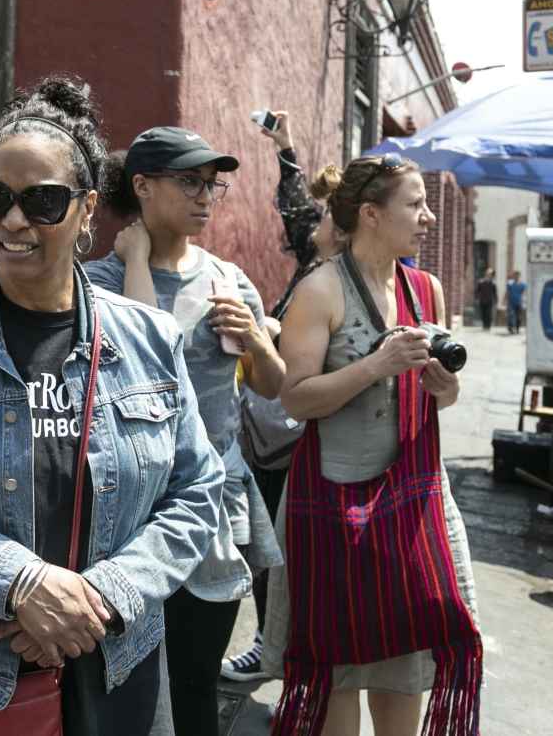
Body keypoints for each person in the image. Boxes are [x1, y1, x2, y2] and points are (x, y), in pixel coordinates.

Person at [0, 77, 225, 736]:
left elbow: (198, 490)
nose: (14, 221)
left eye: (42, 201)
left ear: (86, 211)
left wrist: (105, 595)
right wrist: (20, 583)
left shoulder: (149, 341)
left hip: (120, 665)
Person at [87, 126, 285, 736]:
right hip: (127, 506)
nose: (205, 196)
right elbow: (137, 375)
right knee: (125, 677)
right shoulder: (98, 283)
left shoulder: (228, 280)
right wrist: (139, 261)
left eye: (212, 185)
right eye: (189, 182)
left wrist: (254, 337)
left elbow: (273, 386)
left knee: (196, 679)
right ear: (142, 186)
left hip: (212, 501)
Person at [274, 154, 480, 736]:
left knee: (405, 673)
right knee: (337, 678)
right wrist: (375, 365)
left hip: (413, 505)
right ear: (370, 214)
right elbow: (296, 400)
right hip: (334, 511)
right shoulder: (319, 290)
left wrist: (445, 387)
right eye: (415, 204)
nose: (429, 217)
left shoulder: (426, 288)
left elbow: (438, 396)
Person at [221, 110, 344, 684]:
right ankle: (273, 646)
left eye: (324, 219)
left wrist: (272, 333)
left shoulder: (345, 282)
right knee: (267, 545)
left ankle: (292, 657)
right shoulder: (317, 262)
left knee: (292, 552)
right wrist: (288, 147)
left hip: (306, 436)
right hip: (269, 428)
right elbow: (297, 208)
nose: (310, 224)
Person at [505, 270, 528, 335]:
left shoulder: (523, 284)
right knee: (511, 315)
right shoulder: (510, 284)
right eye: (515, 275)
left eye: (517, 275)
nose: (516, 277)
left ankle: (517, 329)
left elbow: (524, 293)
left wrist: (524, 301)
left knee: (518, 317)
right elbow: (507, 292)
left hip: (519, 302)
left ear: (519, 276)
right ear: (513, 276)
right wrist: (504, 300)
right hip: (511, 302)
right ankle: (511, 328)